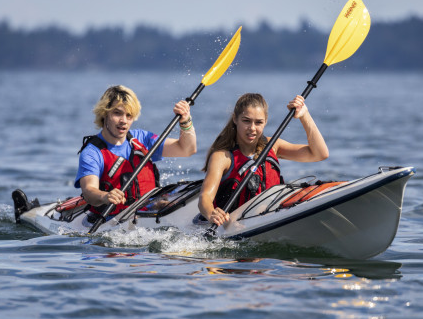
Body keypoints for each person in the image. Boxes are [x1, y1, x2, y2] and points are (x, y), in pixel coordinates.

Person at [198, 93, 329, 226]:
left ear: (265, 121)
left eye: (258, 122)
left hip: (272, 216)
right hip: (234, 225)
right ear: (235, 119)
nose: (252, 128)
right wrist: (211, 214)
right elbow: (205, 197)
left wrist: (304, 115)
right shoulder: (222, 156)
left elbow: (319, 154)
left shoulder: (273, 145)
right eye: (246, 121)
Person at [75, 85, 196, 219]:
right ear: (104, 113)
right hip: (112, 220)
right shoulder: (92, 152)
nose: (124, 121)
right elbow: (89, 192)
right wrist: (105, 196)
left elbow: (187, 149)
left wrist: (185, 121)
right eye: (117, 113)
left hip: (147, 212)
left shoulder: (141, 139)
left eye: (129, 115)